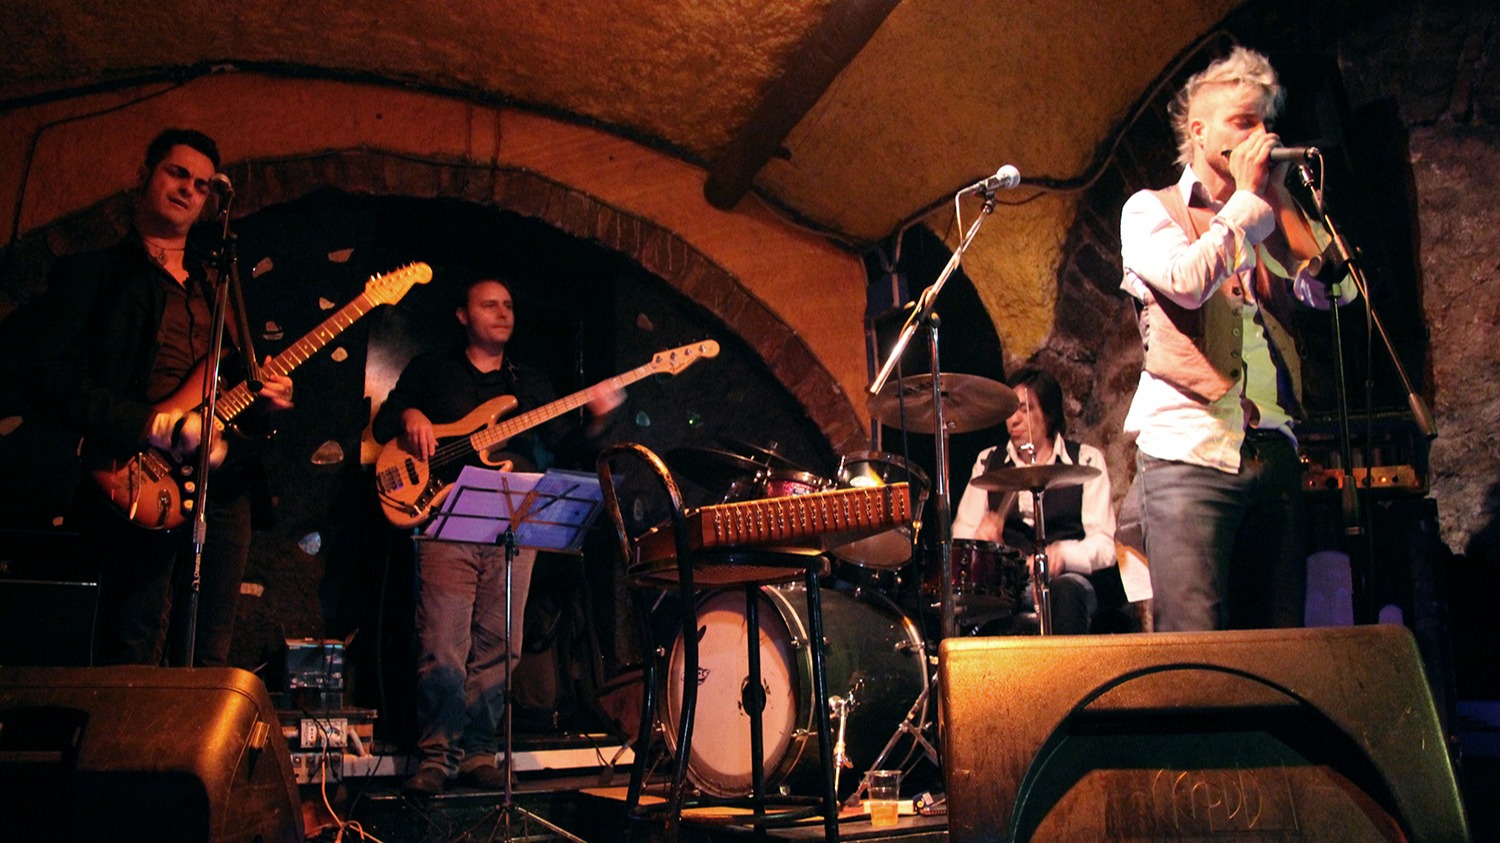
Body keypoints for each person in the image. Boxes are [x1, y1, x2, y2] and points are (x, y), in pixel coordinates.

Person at [0, 128, 294, 666]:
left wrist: (266, 404)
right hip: (135, 469)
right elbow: (47, 376)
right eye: (177, 174)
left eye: (202, 185)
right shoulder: (93, 274)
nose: (188, 190)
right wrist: (151, 426)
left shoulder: (218, 284)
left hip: (222, 485)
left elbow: (230, 390)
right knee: (132, 640)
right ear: (144, 177)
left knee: (209, 652)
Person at [1119, 46, 1355, 632]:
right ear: (1200, 132)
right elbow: (1187, 282)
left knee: (1275, 645)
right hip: (1188, 455)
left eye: (1264, 123)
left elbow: (1339, 293)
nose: (1261, 138)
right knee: (1198, 647)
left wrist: (1280, 200)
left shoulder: (1268, 215)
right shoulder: (1149, 211)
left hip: (1272, 453)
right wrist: (1248, 202)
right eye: (1244, 123)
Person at [372, 276, 622, 796]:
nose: (503, 312)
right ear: (463, 315)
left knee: (501, 645)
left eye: (509, 304)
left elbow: (566, 445)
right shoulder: (431, 370)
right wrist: (411, 415)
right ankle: (437, 756)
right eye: (489, 304)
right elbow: (384, 424)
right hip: (444, 519)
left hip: (511, 524)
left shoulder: (529, 384)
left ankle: (479, 752)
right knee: (442, 642)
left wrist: (597, 422)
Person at [951, 367, 1143, 634]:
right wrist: (980, 541)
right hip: (1010, 585)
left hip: (1068, 581)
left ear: (1049, 414)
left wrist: (1063, 554)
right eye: (1010, 411)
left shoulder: (1085, 459)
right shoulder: (988, 462)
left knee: (1063, 593)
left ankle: (1065, 664)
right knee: (977, 604)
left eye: (1025, 409)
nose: (1013, 420)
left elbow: (1105, 544)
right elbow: (960, 536)